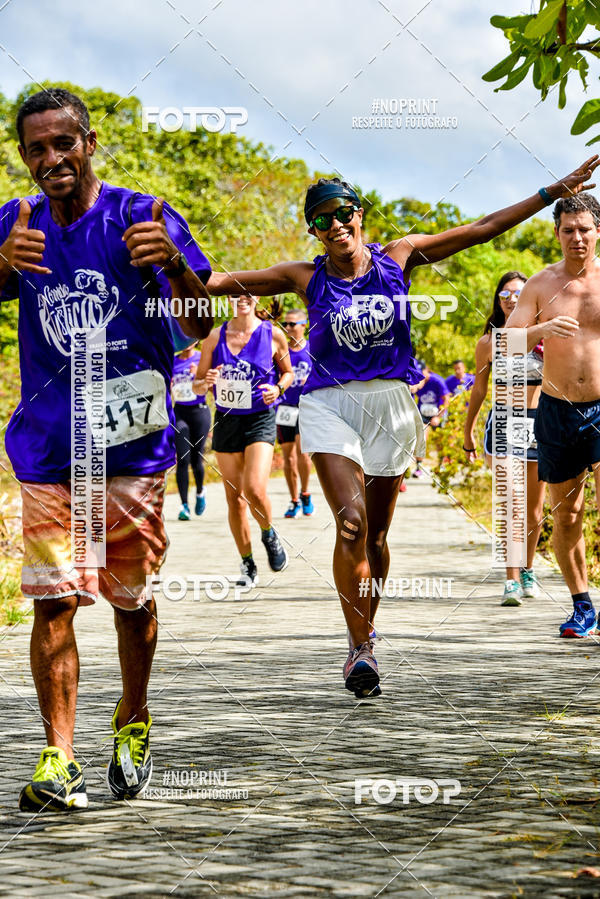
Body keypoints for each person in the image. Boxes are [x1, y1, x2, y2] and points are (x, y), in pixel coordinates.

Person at [205, 160, 598, 698]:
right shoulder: (304, 276)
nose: (336, 225)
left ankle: (369, 627)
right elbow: (210, 281)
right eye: (323, 221)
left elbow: (482, 228)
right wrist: (152, 258)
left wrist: (550, 193)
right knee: (350, 523)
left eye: (344, 213)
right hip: (329, 402)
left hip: (390, 404)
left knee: (379, 534)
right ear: (314, 231)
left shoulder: (400, 256)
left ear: (360, 215)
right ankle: (357, 647)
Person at [0, 88, 212, 811]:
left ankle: (133, 714)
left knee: (131, 602)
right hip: (49, 448)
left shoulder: (140, 214)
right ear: (24, 157)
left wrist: (175, 265)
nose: (52, 158)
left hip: (132, 446)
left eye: (65, 143)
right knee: (53, 603)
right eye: (37, 148)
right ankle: (59, 755)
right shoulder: (15, 220)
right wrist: (2, 265)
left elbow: (199, 318)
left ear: (89, 143)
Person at [504, 193, 600, 637]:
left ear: (598, 230)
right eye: (568, 230)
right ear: (556, 233)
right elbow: (509, 342)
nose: (577, 237)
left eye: (584, 229)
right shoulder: (541, 284)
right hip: (557, 410)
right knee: (566, 514)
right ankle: (582, 606)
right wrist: (541, 328)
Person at [193, 294, 293, 585]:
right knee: (234, 499)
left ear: (256, 297)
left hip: (260, 417)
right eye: (235, 295)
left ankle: (269, 533)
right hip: (226, 420)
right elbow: (198, 386)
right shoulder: (215, 337)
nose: (242, 299)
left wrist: (278, 389)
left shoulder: (273, 334)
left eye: (248, 294)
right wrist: (206, 380)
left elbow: (287, 373)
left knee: (254, 489)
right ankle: (247, 563)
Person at [463, 272, 546, 605]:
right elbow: (479, 390)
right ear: (497, 301)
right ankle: (511, 579)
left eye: (519, 292)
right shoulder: (489, 343)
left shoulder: (545, 337)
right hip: (503, 423)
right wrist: (468, 430)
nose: (512, 298)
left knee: (535, 509)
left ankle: (527, 569)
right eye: (505, 293)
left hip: (541, 423)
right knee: (511, 502)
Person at [278, 308, 315, 518]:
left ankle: (305, 493)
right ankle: (293, 500)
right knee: (288, 458)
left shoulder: (312, 349)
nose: (288, 328)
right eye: (286, 324)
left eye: (292, 324)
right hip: (285, 407)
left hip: (306, 407)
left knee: (303, 453)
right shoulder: (281, 350)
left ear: (304, 325)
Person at [172, 342, 211, 520]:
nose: (187, 343)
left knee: (197, 460)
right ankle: (184, 505)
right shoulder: (172, 361)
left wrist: (199, 377)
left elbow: (213, 387)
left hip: (200, 411)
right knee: (182, 459)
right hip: (180, 412)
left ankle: (200, 492)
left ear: (196, 340)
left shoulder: (202, 359)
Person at [412, 360, 450, 478]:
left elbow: (447, 399)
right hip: (423, 413)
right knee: (421, 438)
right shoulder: (417, 381)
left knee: (440, 441)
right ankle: (419, 468)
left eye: (421, 373)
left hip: (438, 413)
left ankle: (441, 465)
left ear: (426, 370)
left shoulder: (437, 381)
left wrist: (438, 417)